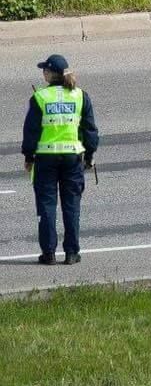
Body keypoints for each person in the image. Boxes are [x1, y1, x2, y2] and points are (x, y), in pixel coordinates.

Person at [21, 55, 99, 265]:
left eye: (44, 70)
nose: (42, 73)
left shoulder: (40, 97)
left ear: (48, 74)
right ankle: (72, 253)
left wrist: (28, 157)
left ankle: (49, 254)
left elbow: (30, 132)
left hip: (45, 160)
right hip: (73, 160)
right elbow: (90, 130)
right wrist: (90, 155)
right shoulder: (80, 96)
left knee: (47, 206)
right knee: (71, 206)